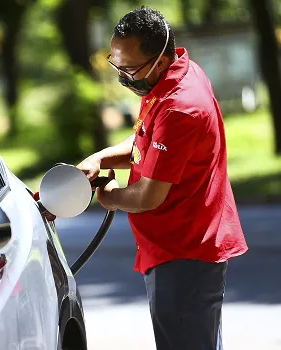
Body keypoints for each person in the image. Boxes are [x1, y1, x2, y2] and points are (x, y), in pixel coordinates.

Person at [77, 6, 248, 350]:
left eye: (130, 68)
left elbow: (147, 196)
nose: (122, 75)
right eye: (117, 63)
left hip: (186, 252)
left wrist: (108, 194)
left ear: (160, 58)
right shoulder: (174, 76)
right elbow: (146, 143)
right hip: (175, 248)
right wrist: (100, 158)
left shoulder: (180, 106)